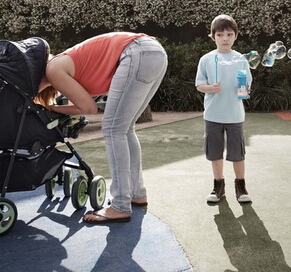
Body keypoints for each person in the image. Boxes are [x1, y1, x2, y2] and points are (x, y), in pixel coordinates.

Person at [37, 32, 168, 223]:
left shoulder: (53, 69)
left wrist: (52, 108)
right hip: (154, 52)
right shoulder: (59, 65)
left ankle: (120, 205)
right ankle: (136, 193)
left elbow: (88, 108)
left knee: (114, 129)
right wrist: (53, 107)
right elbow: (88, 107)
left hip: (136, 52)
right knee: (125, 128)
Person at [195, 14, 252, 203]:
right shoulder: (206, 59)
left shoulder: (241, 60)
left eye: (229, 34)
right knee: (215, 152)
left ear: (236, 36)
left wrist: (244, 90)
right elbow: (199, 85)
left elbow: (247, 85)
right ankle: (218, 186)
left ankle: (241, 186)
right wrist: (210, 88)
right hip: (213, 115)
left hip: (235, 115)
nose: (225, 38)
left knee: (237, 153)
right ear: (213, 37)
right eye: (220, 34)